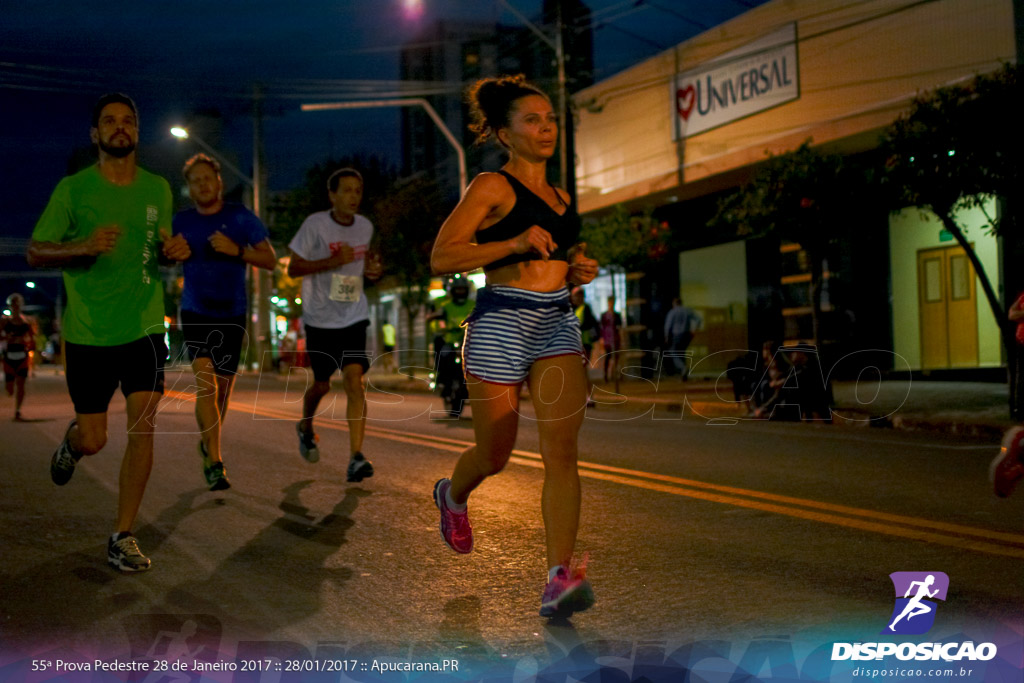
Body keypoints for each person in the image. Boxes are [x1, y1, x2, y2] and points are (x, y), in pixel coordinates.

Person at [430, 74, 600, 618]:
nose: (546, 127)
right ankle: (452, 496)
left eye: (550, 118)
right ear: (505, 133)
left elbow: (555, 259)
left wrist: (579, 271)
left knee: (562, 452)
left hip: (555, 323)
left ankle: (557, 578)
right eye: (532, 120)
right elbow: (442, 257)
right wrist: (512, 242)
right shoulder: (491, 187)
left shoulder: (563, 195)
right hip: (501, 321)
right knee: (494, 454)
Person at [27, 92, 191, 572]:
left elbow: (157, 246)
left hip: (142, 325)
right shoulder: (73, 190)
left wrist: (173, 249)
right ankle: (72, 443)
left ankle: (122, 535)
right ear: (95, 134)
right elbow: (36, 251)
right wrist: (84, 245)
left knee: (143, 428)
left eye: (128, 121)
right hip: (89, 332)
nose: (120, 127)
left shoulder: (158, 188)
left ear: (136, 131)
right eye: (109, 121)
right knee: (96, 438)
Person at [173, 153, 277, 491]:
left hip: (232, 312)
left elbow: (270, 259)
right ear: (189, 188)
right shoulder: (182, 221)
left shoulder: (240, 217)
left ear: (219, 182)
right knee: (207, 384)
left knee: (222, 392)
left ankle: (208, 442)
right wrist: (171, 251)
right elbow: (162, 253)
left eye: (208, 178)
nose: (202, 184)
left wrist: (238, 250)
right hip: (195, 311)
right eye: (195, 181)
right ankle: (216, 463)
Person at [287, 168, 383, 481]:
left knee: (355, 380)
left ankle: (356, 456)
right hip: (319, 318)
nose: (354, 196)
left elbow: (362, 268)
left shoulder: (365, 227)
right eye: (347, 190)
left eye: (358, 190)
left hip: (353, 314)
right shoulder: (315, 224)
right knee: (323, 384)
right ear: (332, 195)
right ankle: (306, 425)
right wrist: (332, 262)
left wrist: (371, 272)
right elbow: (293, 268)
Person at [426, 276, 475, 417]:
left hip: (469, 343)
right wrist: (434, 318)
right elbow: (434, 316)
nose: (460, 292)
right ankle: (442, 381)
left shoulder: (472, 304)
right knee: (443, 355)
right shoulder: (446, 306)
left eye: (462, 289)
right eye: (457, 289)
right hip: (451, 342)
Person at [2, 293, 36, 421]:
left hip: (22, 355)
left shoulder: (26, 322)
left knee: (21, 384)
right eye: (13, 304)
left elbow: (32, 338)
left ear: (21, 305)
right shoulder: (5, 321)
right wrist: (8, 338)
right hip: (9, 356)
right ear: (10, 305)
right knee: (10, 388)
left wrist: (27, 342)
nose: (15, 306)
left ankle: (17, 410)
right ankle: (9, 388)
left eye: (18, 304)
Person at [571, 287, 599, 407]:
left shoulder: (585, 308)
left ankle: (589, 397)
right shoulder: (572, 309)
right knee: (577, 372)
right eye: (576, 296)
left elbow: (588, 324)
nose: (578, 298)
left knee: (582, 371)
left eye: (580, 295)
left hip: (584, 344)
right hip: (574, 345)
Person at [662, 297, 701, 380]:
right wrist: (694, 330)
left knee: (673, 351)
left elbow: (668, 326)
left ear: (674, 303)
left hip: (676, 334)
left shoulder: (672, 312)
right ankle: (684, 374)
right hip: (687, 334)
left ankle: (683, 367)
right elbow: (698, 319)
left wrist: (666, 337)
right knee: (681, 352)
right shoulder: (687, 310)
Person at [600, 296, 623, 383]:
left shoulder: (617, 315)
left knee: (616, 356)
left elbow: (619, 328)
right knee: (608, 356)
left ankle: (613, 373)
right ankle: (606, 375)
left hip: (615, 338)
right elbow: (602, 328)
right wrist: (602, 339)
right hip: (607, 338)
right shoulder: (604, 315)